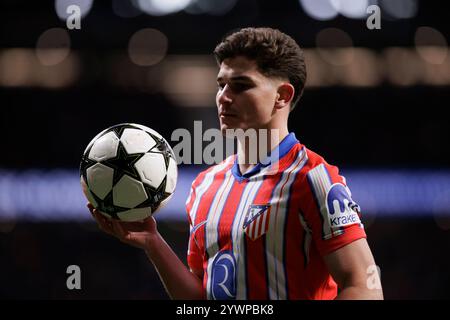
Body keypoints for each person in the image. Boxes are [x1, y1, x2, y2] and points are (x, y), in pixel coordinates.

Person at [88, 27, 383, 300]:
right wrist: (153, 243)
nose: (223, 98)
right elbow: (200, 299)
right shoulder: (205, 186)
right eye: (221, 85)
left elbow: (364, 287)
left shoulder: (313, 179)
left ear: (282, 96)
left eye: (240, 86)